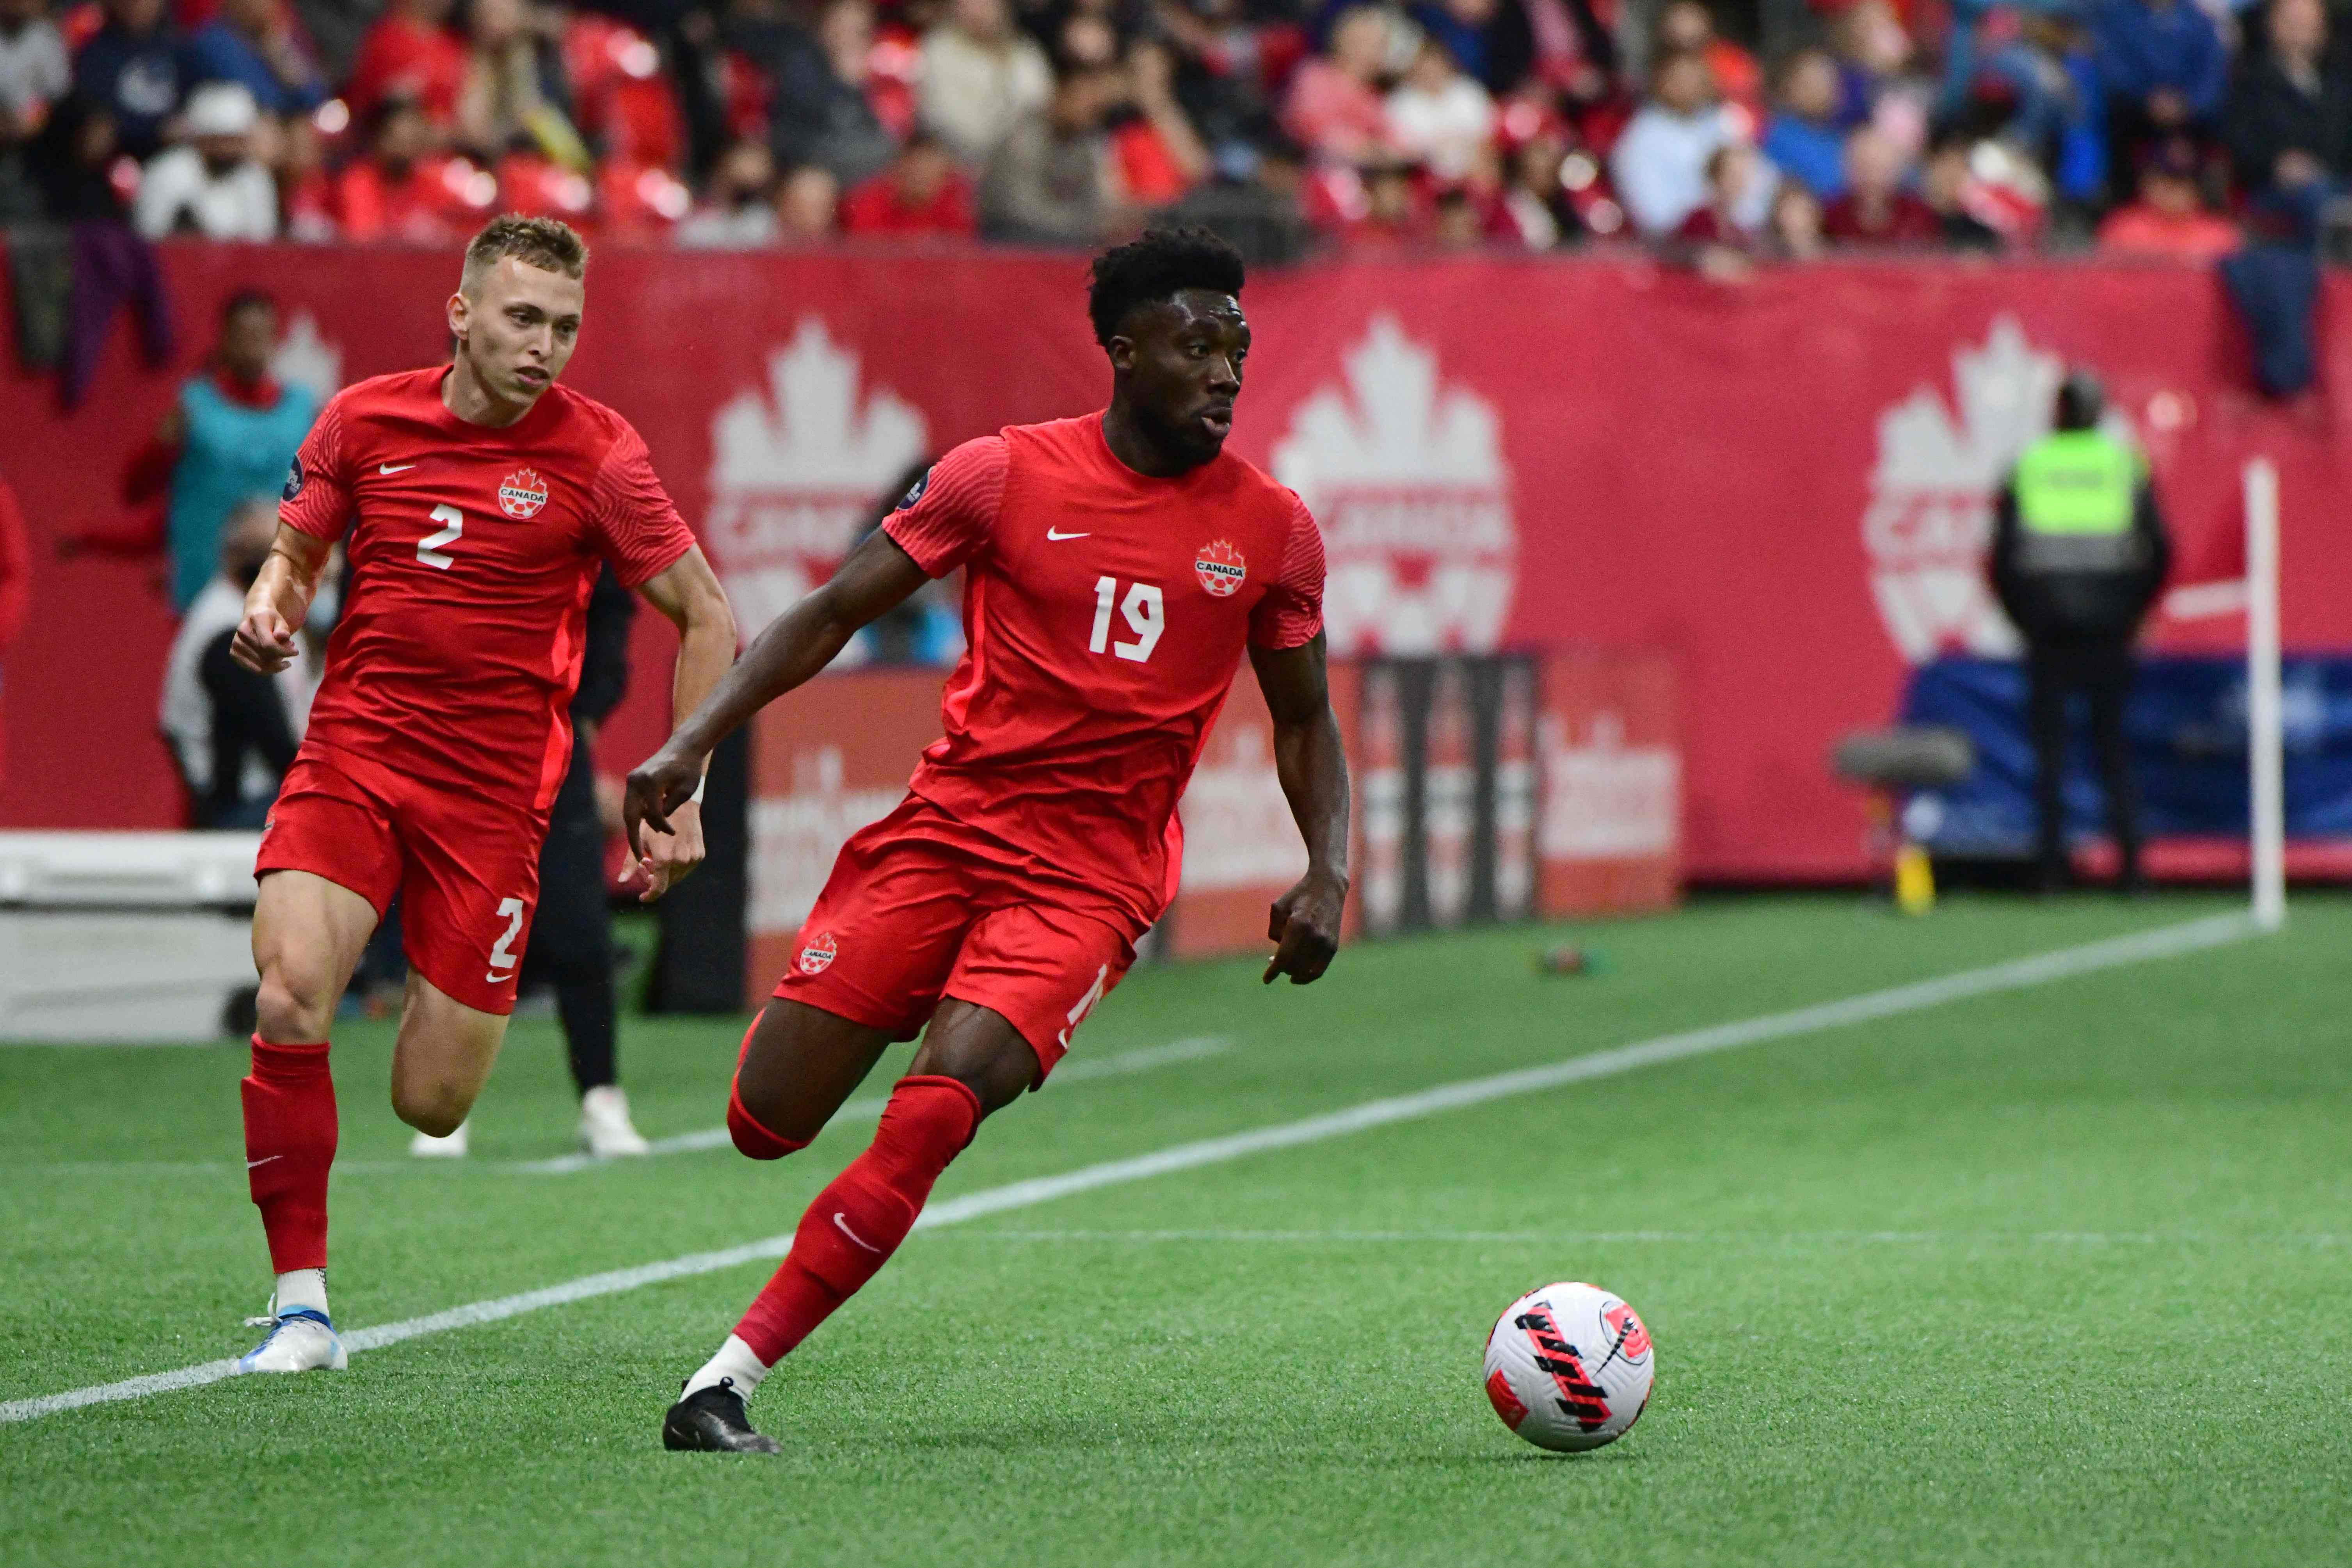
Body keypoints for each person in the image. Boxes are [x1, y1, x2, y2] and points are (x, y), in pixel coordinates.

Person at [628, 226, 1348, 1453]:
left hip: (1088, 881)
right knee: (766, 1117)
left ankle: (725, 1380)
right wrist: (692, 738)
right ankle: (912, 988)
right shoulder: (1000, 476)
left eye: (1236, 346)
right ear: (1123, 353)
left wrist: (1328, 864)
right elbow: (833, 608)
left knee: (935, 1108)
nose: (1224, 371)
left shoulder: (1271, 531)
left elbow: (1303, 723)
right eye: (1195, 347)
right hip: (944, 838)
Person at [225, 215, 738, 1375]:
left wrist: (682, 782)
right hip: (355, 753)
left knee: (433, 1104)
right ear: (461, 313)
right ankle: (300, 1305)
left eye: (563, 326)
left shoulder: (600, 454)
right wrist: (271, 604)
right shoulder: (363, 418)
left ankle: (434, 997)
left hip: (497, 804)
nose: (545, 345)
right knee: (291, 992)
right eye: (522, 318)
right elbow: (296, 551)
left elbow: (707, 615)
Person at [410, 564, 653, 1158]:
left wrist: (586, 710)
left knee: (578, 927)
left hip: (551, 732)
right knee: (456, 917)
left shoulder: (577, 496)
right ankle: (444, 1100)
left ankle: (601, 1096)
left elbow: (611, 612)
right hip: (454, 730)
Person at [1988, 371, 2171, 894]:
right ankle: (2131, 871)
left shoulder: (2030, 465)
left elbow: (2000, 558)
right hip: (2109, 628)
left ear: (2057, 413)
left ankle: (2049, 872)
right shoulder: (2121, 465)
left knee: (2049, 754)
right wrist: (2133, 609)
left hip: (2045, 630)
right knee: (2112, 748)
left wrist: (2022, 616)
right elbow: (2158, 549)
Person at [64, 290, 318, 612]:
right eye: (244, 334)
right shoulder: (194, 410)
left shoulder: (302, 411)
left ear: (275, 337)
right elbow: (140, 494)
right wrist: (162, 447)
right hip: (207, 595)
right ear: (224, 339)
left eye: (261, 333)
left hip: (282, 595)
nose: (253, 344)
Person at [160, 500, 321, 828]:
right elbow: (274, 740)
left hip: (253, 797)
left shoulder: (240, 612)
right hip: (244, 806)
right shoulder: (229, 629)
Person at [131, 79, 279, 240]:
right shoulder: (166, 173)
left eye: (236, 141)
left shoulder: (255, 178)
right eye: (221, 141)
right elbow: (149, 238)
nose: (228, 150)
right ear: (202, 139)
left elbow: (263, 245)